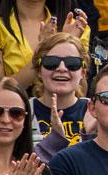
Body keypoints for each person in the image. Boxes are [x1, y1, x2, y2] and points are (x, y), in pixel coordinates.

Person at [0, 0, 88, 87]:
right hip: (15, 106)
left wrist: (68, 44)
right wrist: (43, 51)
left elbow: (81, 91)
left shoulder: (75, 26)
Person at [29, 33, 92, 161]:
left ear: (83, 73)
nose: (61, 68)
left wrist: (91, 134)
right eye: (51, 62)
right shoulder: (22, 111)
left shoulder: (95, 111)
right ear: (39, 71)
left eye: (72, 63)